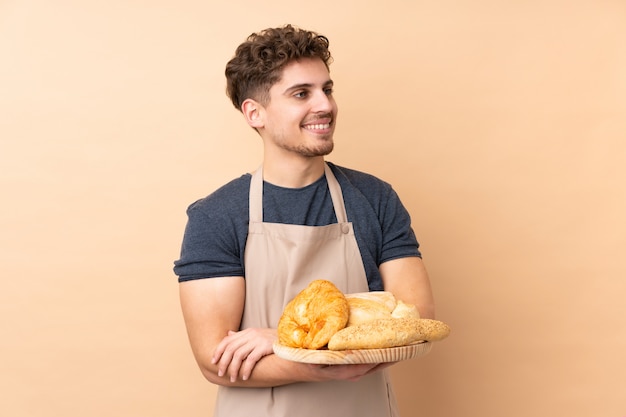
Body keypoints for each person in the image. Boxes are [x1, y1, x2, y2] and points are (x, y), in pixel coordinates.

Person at [173, 24, 435, 417]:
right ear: (254, 112)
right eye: (301, 94)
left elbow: (416, 320)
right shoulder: (217, 215)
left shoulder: (374, 199)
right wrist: (329, 357)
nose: (325, 105)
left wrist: (281, 339)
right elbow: (216, 359)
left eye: (326, 89)